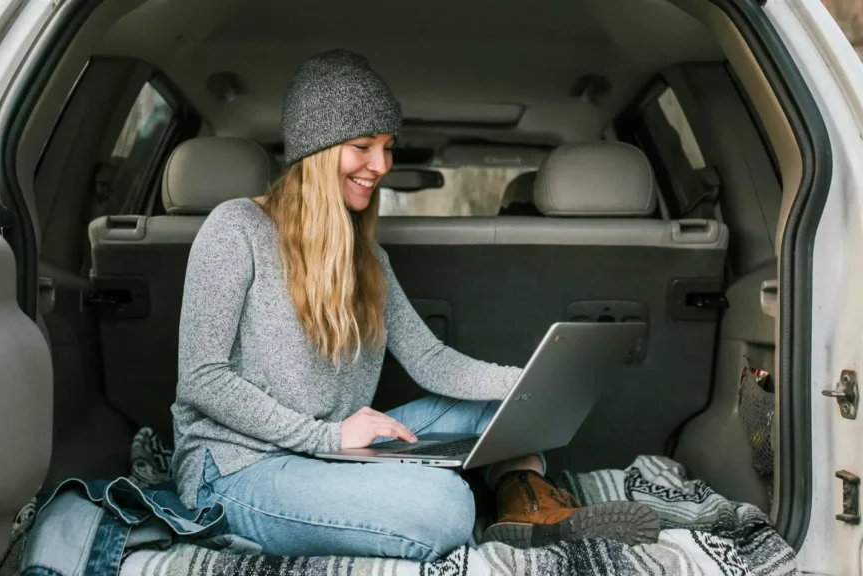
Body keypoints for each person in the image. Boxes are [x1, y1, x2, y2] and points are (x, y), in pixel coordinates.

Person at [170, 49, 659, 561]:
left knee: (504, 412)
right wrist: (327, 437)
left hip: (335, 450)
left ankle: (527, 506)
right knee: (445, 509)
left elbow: (430, 360)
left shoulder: (368, 258)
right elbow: (202, 378)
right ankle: (475, 499)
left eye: (387, 147)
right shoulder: (235, 229)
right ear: (315, 151)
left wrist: (524, 384)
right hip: (239, 467)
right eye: (362, 146)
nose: (380, 165)